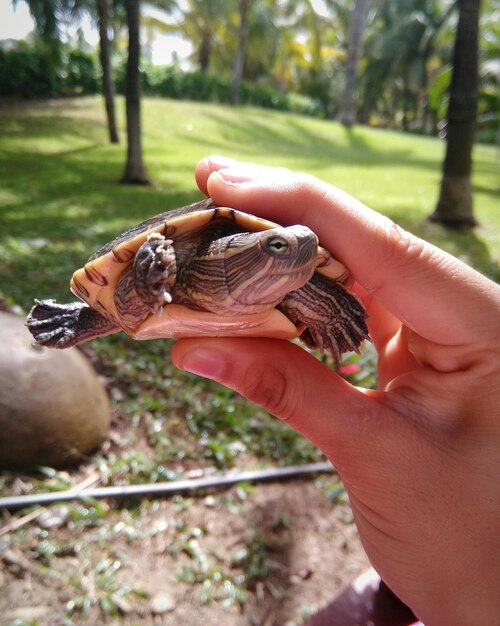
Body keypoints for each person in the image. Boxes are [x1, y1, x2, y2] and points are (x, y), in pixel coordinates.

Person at [172, 156, 500, 626]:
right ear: (245, 247)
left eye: (306, 248)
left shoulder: (295, 278)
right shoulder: (190, 255)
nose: (304, 246)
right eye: (283, 245)